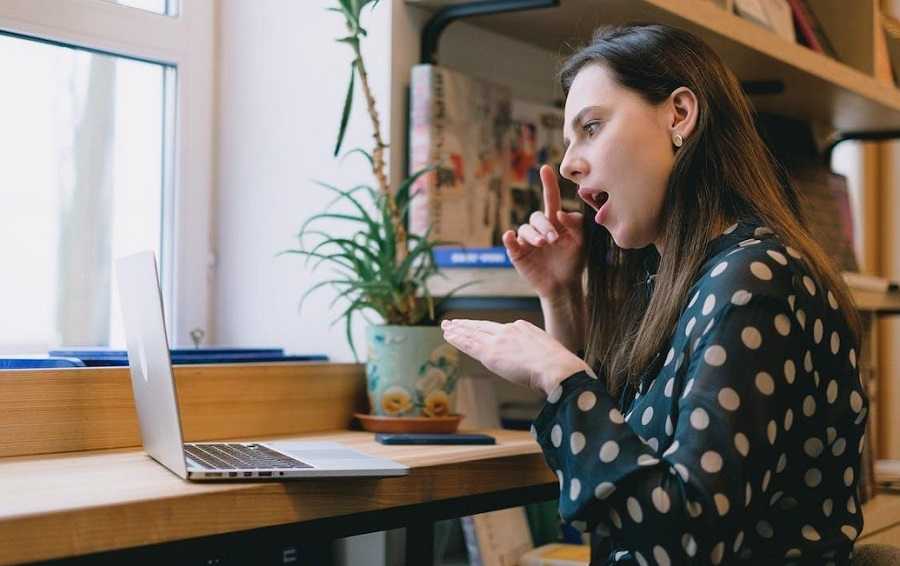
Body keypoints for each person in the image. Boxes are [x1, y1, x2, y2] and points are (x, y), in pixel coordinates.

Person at [440, 24, 868, 566]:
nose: (570, 162)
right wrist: (562, 295)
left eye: (591, 127)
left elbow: (684, 538)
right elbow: (621, 475)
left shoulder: (755, 280)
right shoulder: (685, 281)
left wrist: (560, 376)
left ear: (680, 115)